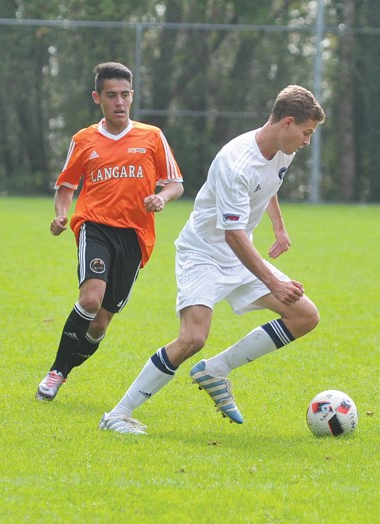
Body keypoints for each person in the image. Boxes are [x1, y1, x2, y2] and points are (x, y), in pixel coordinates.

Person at [99, 85, 326, 434]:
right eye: (306, 133)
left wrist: (279, 227)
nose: (307, 141)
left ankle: (216, 369)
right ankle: (116, 415)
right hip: (203, 253)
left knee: (305, 315)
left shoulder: (283, 148)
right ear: (288, 123)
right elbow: (232, 234)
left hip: (238, 253)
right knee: (192, 338)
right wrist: (274, 282)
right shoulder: (236, 163)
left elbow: (268, 186)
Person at [36, 62, 184, 401]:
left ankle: (65, 369)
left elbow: (175, 183)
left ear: (132, 96)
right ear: (97, 98)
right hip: (95, 226)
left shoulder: (151, 136)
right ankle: (56, 372)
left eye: (125, 95)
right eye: (112, 95)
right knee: (90, 298)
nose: (119, 102)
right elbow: (66, 185)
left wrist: (161, 197)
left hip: (135, 236)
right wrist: (61, 216)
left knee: (100, 323)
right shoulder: (84, 139)